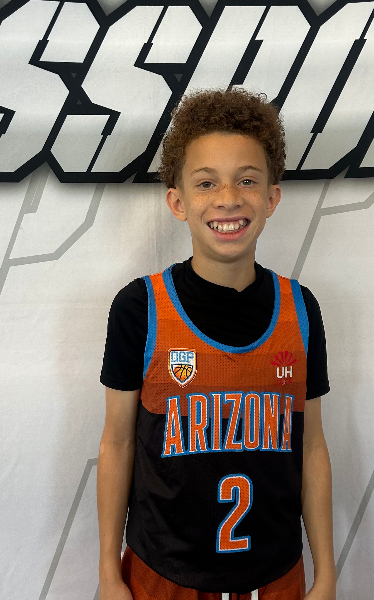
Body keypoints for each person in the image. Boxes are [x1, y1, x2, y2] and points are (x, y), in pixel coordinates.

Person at [97, 88, 336, 600]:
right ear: (178, 202)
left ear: (271, 197)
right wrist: (107, 574)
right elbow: (116, 443)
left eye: (247, 180)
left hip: (275, 573)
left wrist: (328, 575)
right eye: (207, 183)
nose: (228, 198)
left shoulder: (300, 309)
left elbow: (312, 448)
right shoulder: (140, 308)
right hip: (163, 574)